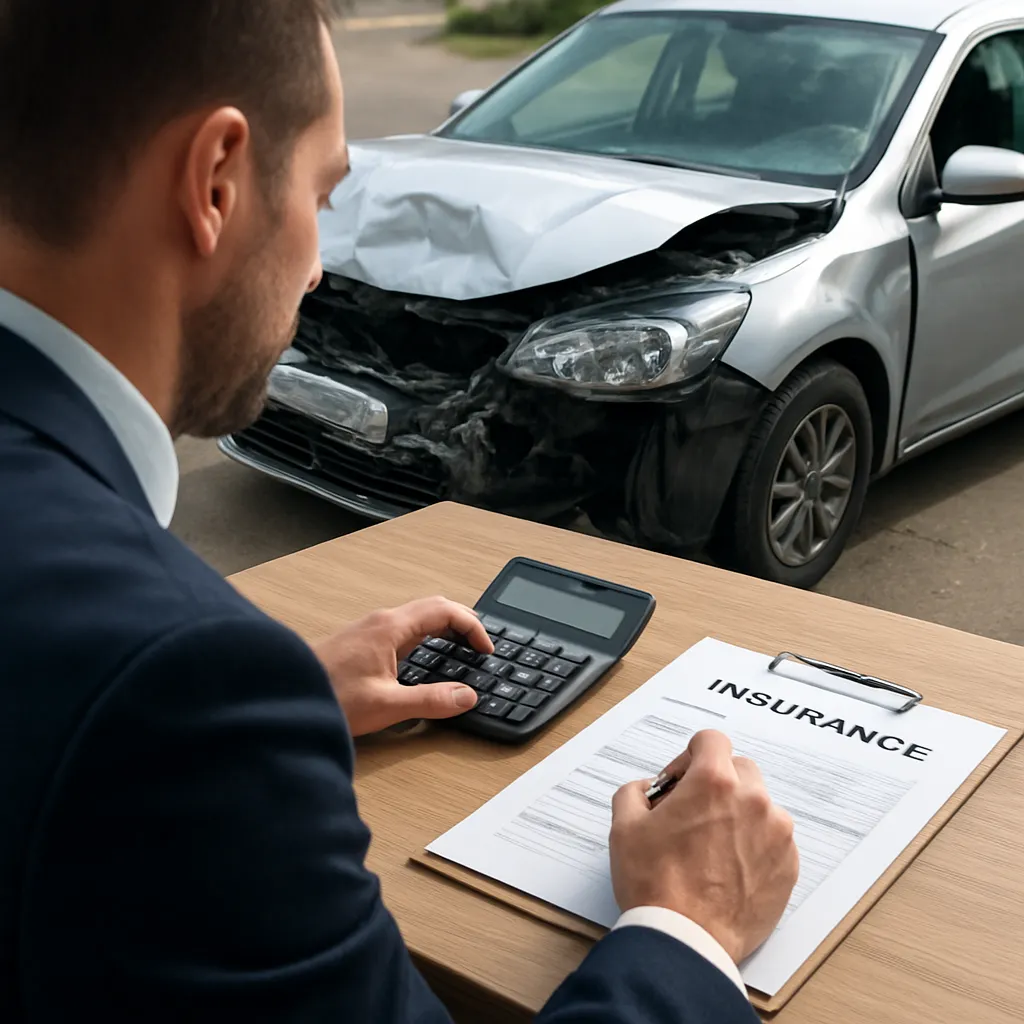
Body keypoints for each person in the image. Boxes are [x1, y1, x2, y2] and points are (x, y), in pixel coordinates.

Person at [0, 3, 799, 1021]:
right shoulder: (181, 690)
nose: (317, 266)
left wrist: (286, 703)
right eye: (321, 194)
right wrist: (689, 929)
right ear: (215, 184)